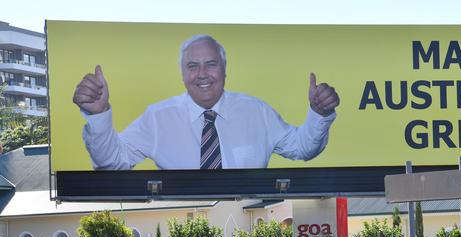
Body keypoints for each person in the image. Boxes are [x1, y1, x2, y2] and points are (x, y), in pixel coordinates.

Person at [73, 34, 340, 170]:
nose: (202, 74)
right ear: (182, 74)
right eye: (192, 66)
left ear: (225, 70)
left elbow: (303, 148)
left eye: (211, 64)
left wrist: (318, 114)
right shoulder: (158, 117)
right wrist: (98, 115)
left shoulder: (256, 111)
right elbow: (111, 163)